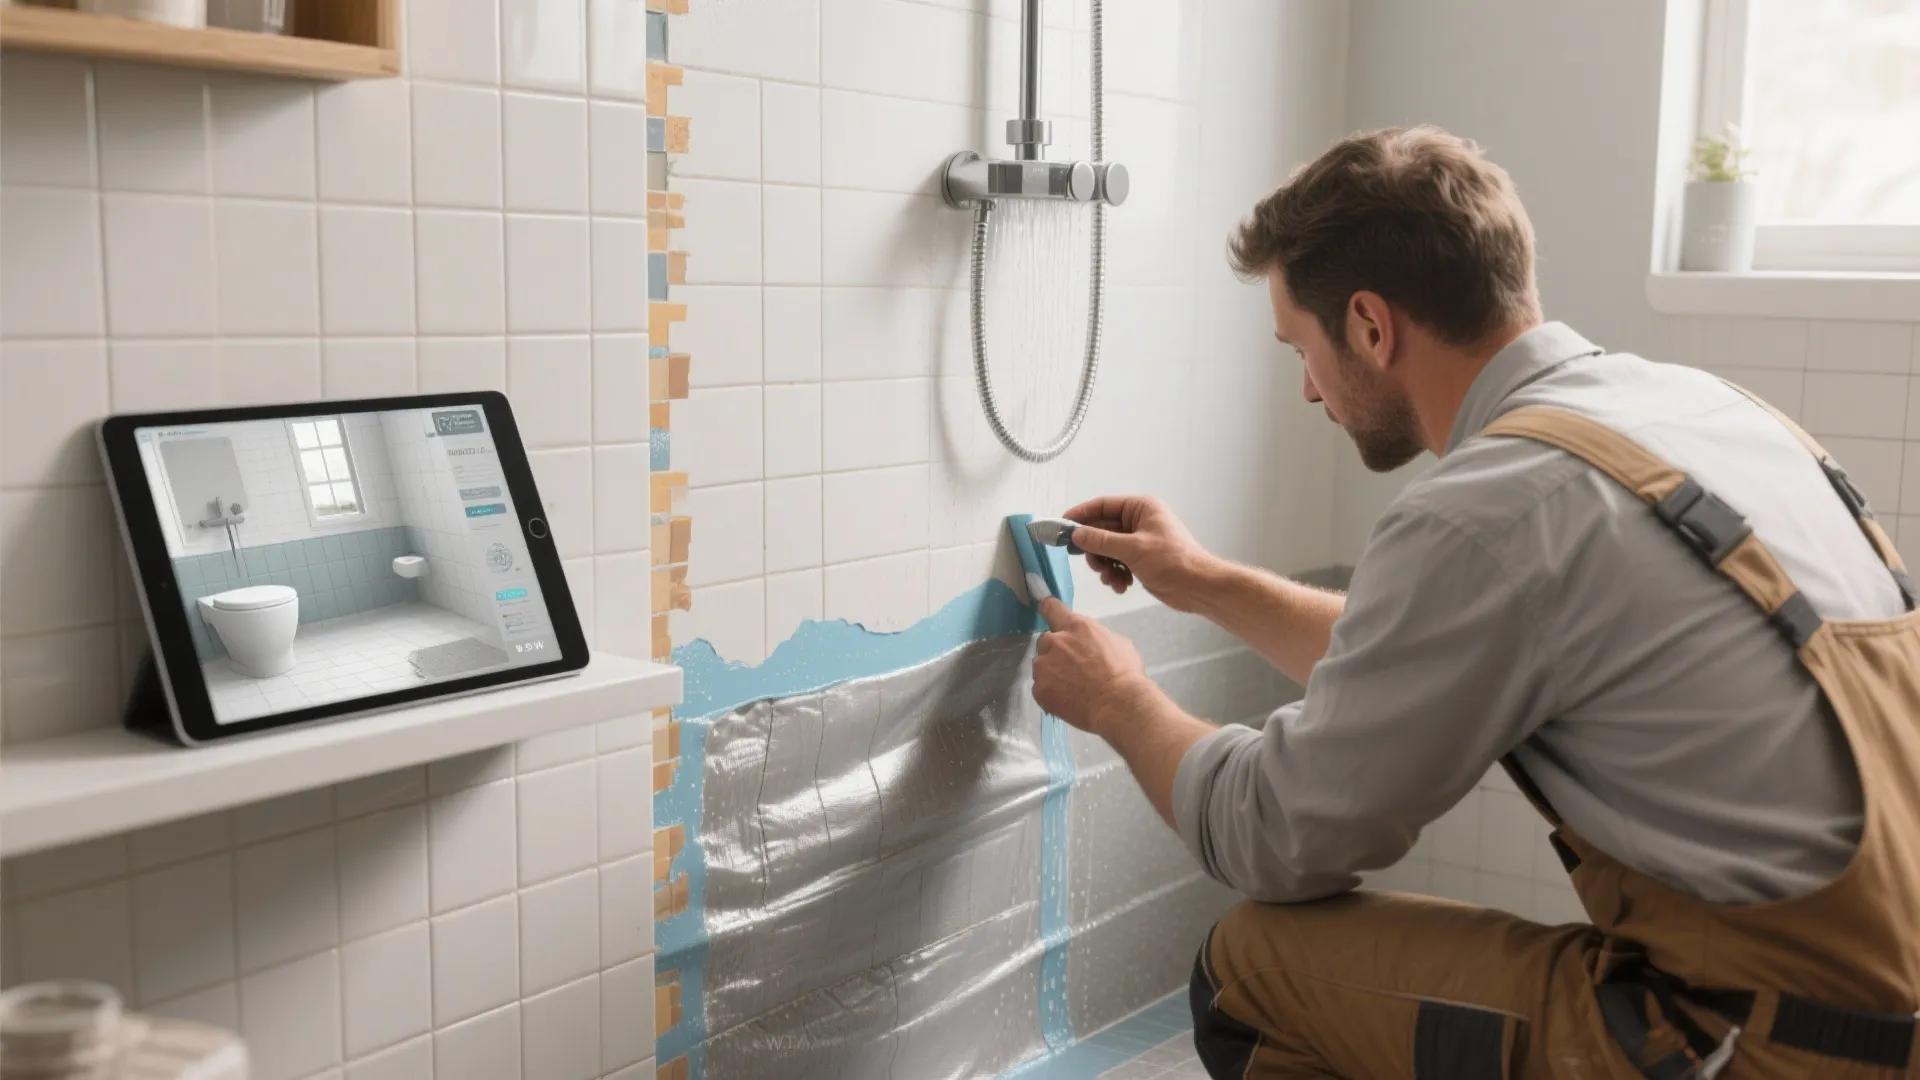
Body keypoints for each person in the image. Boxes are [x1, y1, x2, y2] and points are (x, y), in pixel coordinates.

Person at [1028, 125, 1920, 1079]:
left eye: (1302, 346)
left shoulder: (1490, 507)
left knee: (1248, 970)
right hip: (1880, 1022)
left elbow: (1275, 836)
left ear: (1371, 327)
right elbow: (1426, 658)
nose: (1306, 390)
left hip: (1760, 1046)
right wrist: (1203, 581)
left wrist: (1120, 701)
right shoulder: (1695, 413)